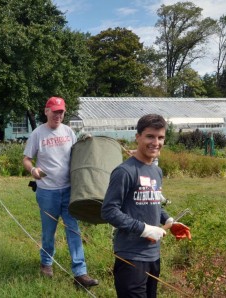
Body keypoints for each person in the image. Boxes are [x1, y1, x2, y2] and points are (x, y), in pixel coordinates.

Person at [101, 114, 191, 298]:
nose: (155, 142)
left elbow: (153, 202)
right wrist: (144, 229)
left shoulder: (156, 171)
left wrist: (169, 220)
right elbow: (109, 211)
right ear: (138, 137)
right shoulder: (125, 172)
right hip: (131, 256)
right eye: (150, 136)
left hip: (153, 256)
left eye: (160, 137)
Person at [23, 97, 98, 288]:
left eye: (61, 112)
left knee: (73, 230)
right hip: (47, 192)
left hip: (69, 190)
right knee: (49, 231)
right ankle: (46, 263)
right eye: (55, 111)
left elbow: (76, 154)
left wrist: (85, 144)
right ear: (46, 111)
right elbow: (27, 159)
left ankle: (80, 273)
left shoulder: (68, 131)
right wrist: (33, 171)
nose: (58, 115)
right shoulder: (38, 134)